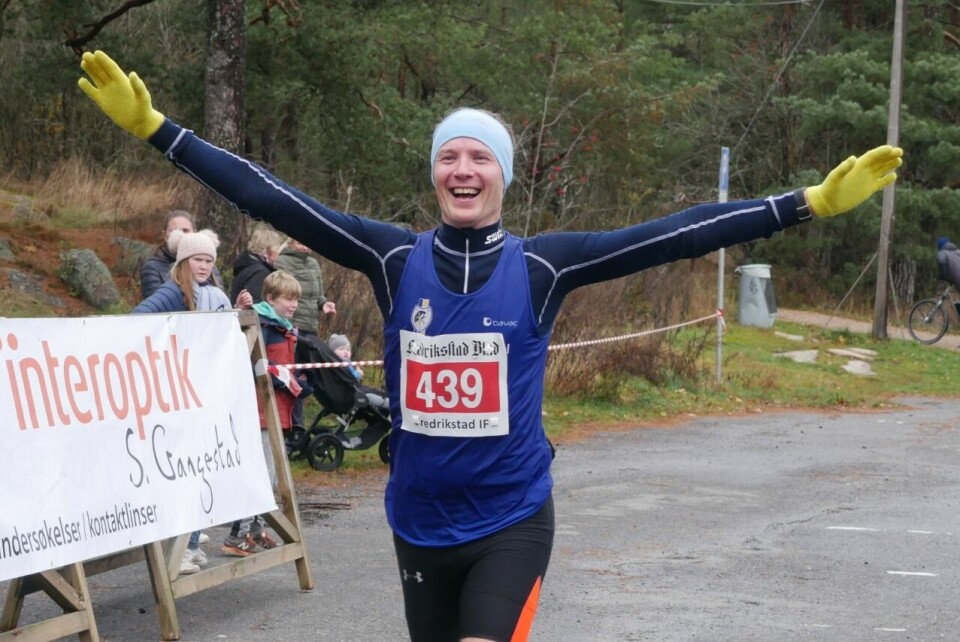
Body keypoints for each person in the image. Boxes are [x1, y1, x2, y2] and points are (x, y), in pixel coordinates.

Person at [80, 51, 903, 642]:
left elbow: (673, 236)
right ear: (434, 174)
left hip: (511, 518)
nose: (463, 168)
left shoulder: (544, 266)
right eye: (449, 156)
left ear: (503, 176)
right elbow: (275, 196)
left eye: (480, 156)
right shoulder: (392, 257)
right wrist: (159, 130)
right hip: (417, 522)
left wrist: (803, 203)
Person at [132, 227, 252, 574]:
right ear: (184, 261)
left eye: (209, 261)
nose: (203, 266)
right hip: (175, 394)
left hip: (203, 392)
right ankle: (180, 549)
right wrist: (170, 339)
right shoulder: (172, 291)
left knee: (201, 468)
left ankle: (194, 542)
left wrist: (236, 310)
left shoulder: (209, 294)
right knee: (183, 471)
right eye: (198, 259)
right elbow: (137, 319)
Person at [222, 269, 310, 556]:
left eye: (296, 299)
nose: (293, 305)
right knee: (259, 475)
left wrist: (298, 382)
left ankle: (257, 528)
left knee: (271, 476)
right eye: (288, 299)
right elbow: (259, 366)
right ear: (270, 298)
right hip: (261, 410)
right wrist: (284, 380)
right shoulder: (263, 326)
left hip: (279, 411)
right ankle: (237, 535)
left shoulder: (285, 328)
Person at [275, 238, 337, 428]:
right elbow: (283, 292)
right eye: (300, 241)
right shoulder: (282, 262)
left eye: (306, 241)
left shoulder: (313, 263)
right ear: (290, 241)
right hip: (292, 327)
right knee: (290, 377)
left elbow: (318, 294)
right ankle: (287, 425)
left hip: (311, 328)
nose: (305, 245)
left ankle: (298, 426)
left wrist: (323, 303)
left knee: (304, 378)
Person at [139, 209, 222, 298]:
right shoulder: (152, 267)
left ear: (194, 232)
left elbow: (219, 300)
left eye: (185, 230)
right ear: (165, 235)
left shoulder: (207, 265)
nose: (180, 235)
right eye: (173, 231)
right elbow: (155, 306)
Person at [229, 225, 287, 304]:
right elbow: (255, 304)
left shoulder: (248, 266)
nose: (278, 255)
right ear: (270, 249)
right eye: (277, 250)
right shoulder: (260, 272)